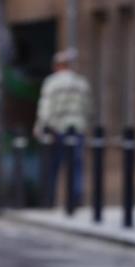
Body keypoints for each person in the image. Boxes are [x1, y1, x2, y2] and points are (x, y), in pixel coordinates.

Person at [34, 48, 92, 207]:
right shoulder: (81, 83)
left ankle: (49, 199)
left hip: (57, 128)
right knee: (76, 165)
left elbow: (45, 107)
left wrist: (40, 126)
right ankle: (76, 197)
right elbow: (88, 108)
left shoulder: (51, 83)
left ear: (58, 65)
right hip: (77, 128)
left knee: (54, 165)